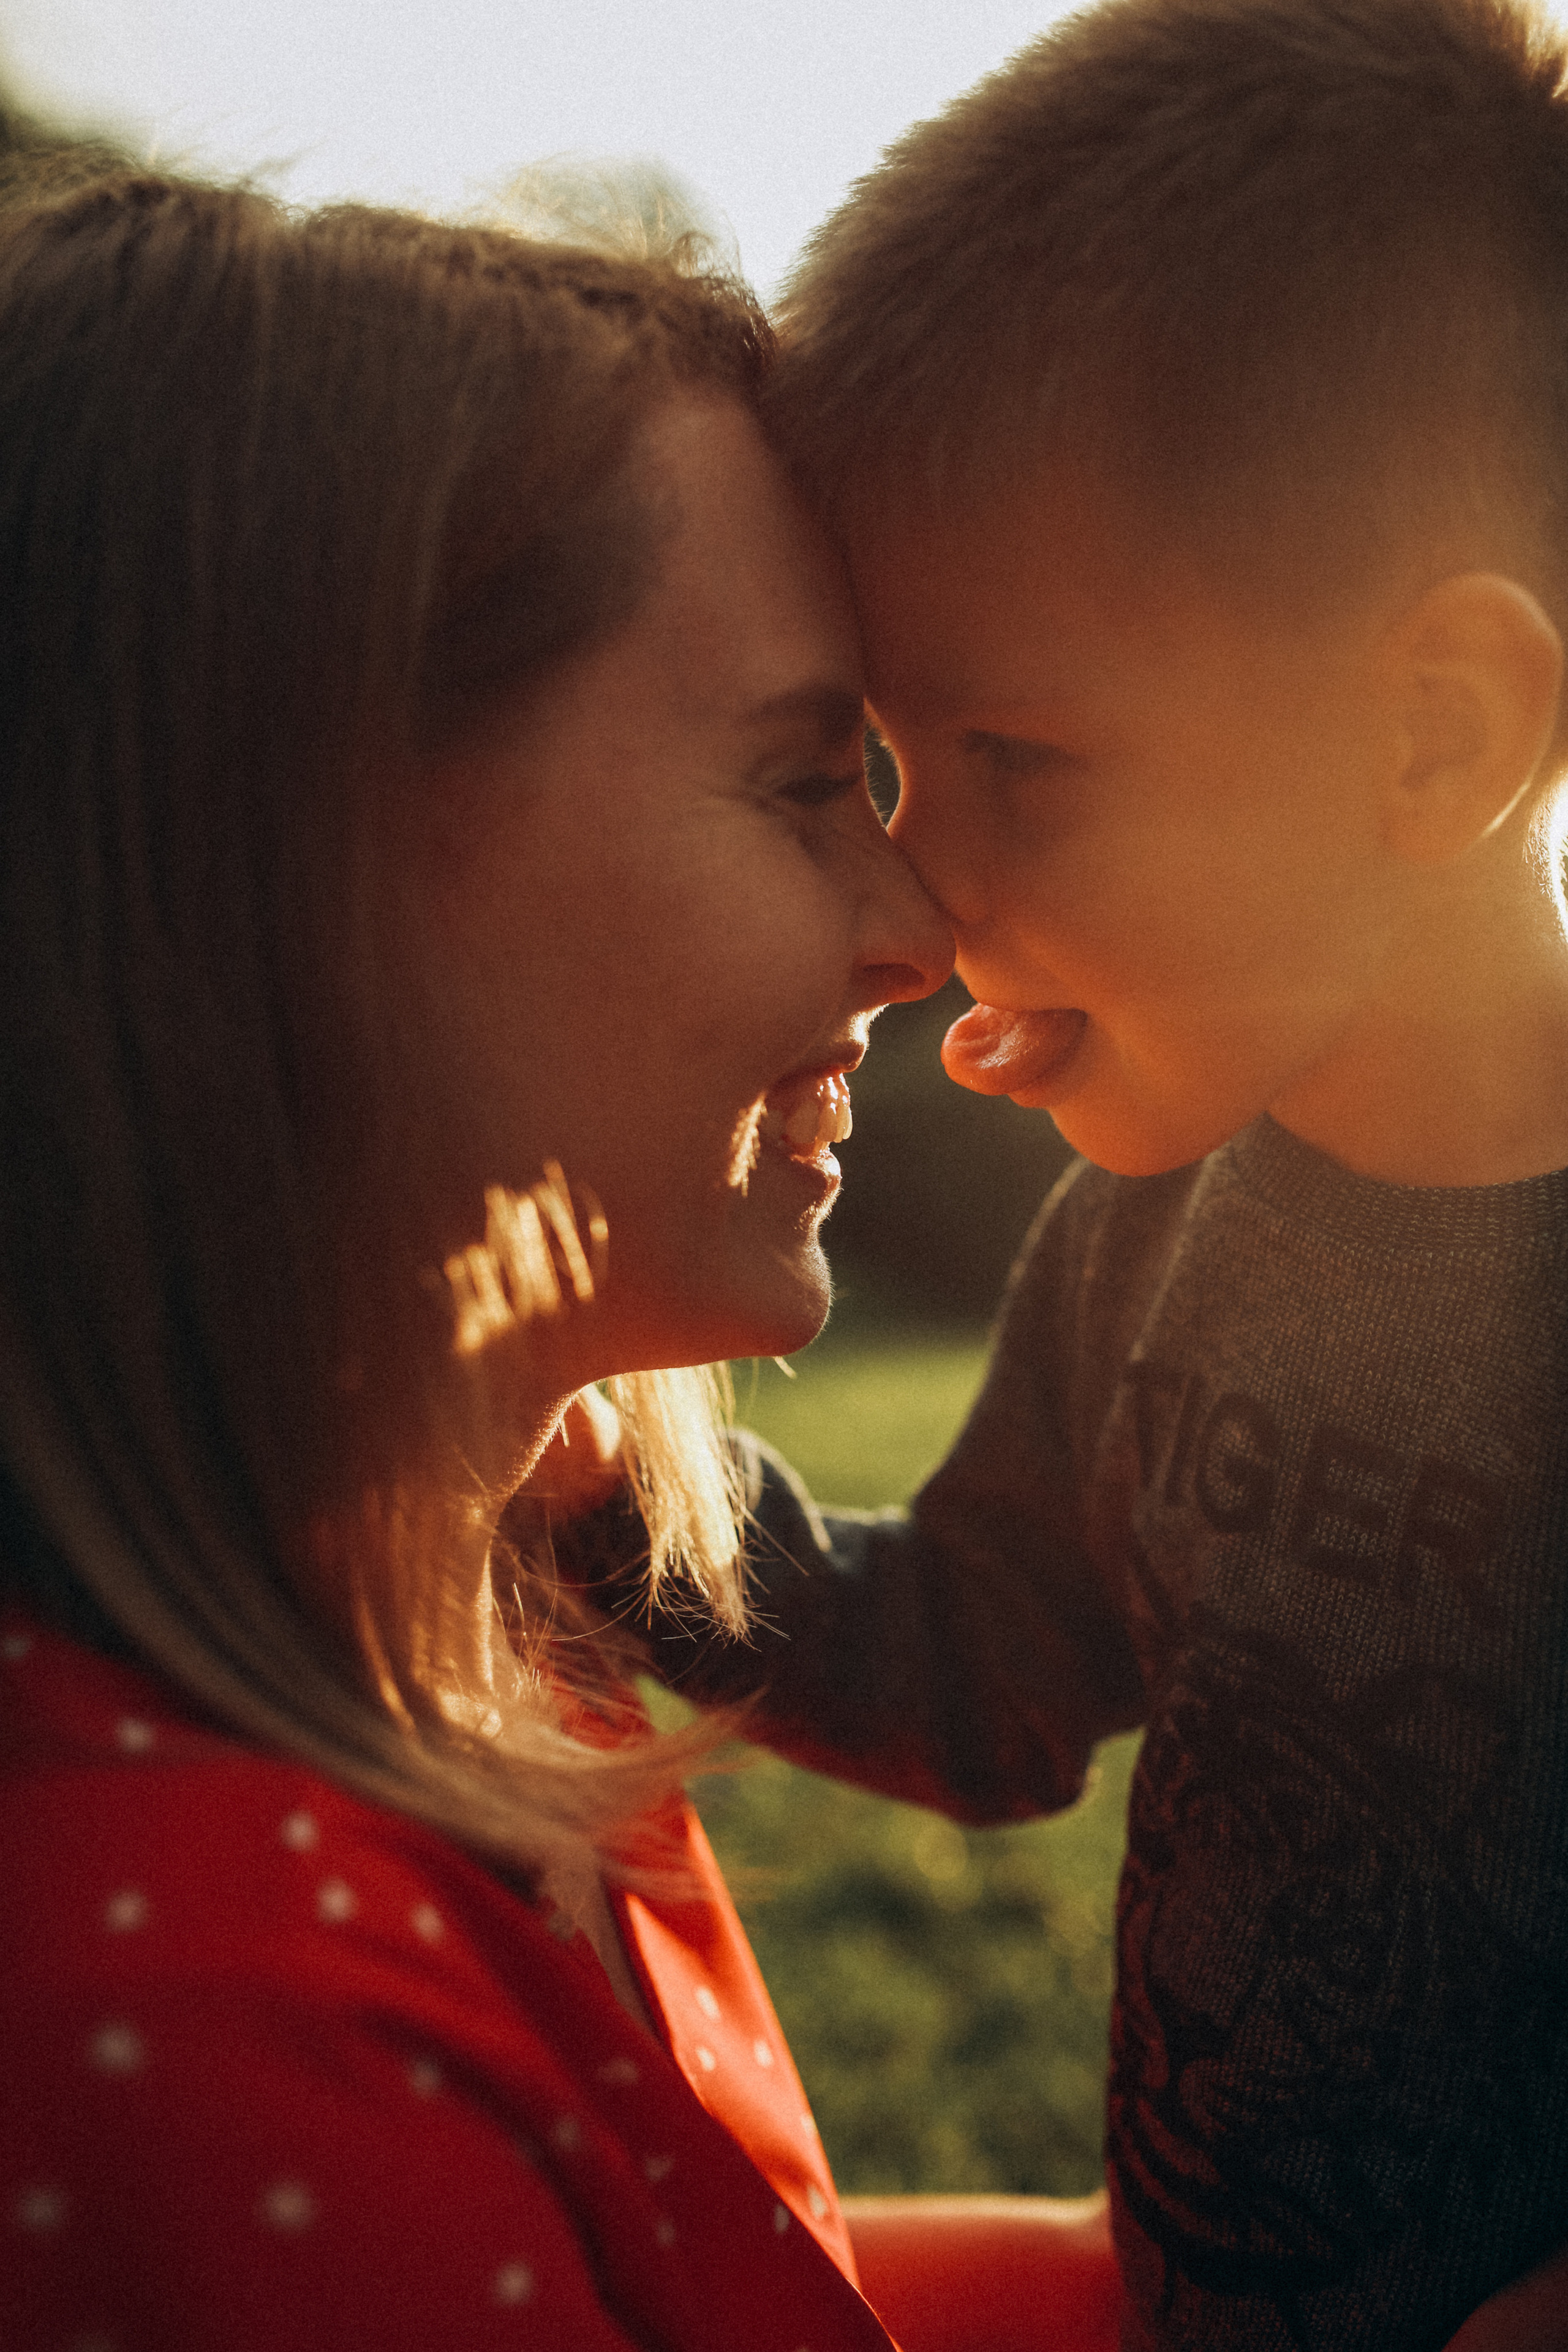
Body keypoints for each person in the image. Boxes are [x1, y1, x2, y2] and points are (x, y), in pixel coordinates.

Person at [560, 1, 1568, 2344]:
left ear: (1435, 740)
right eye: (890, 770)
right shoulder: (1159, 1224)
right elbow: (987, 1669)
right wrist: (610, 1506)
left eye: (1016, 758)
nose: (923, 901)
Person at [0, 163, 964, 2351]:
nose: (920, 932)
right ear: (299, 860)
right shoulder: (223, 2037)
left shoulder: (491, 1631)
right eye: (804, 784)